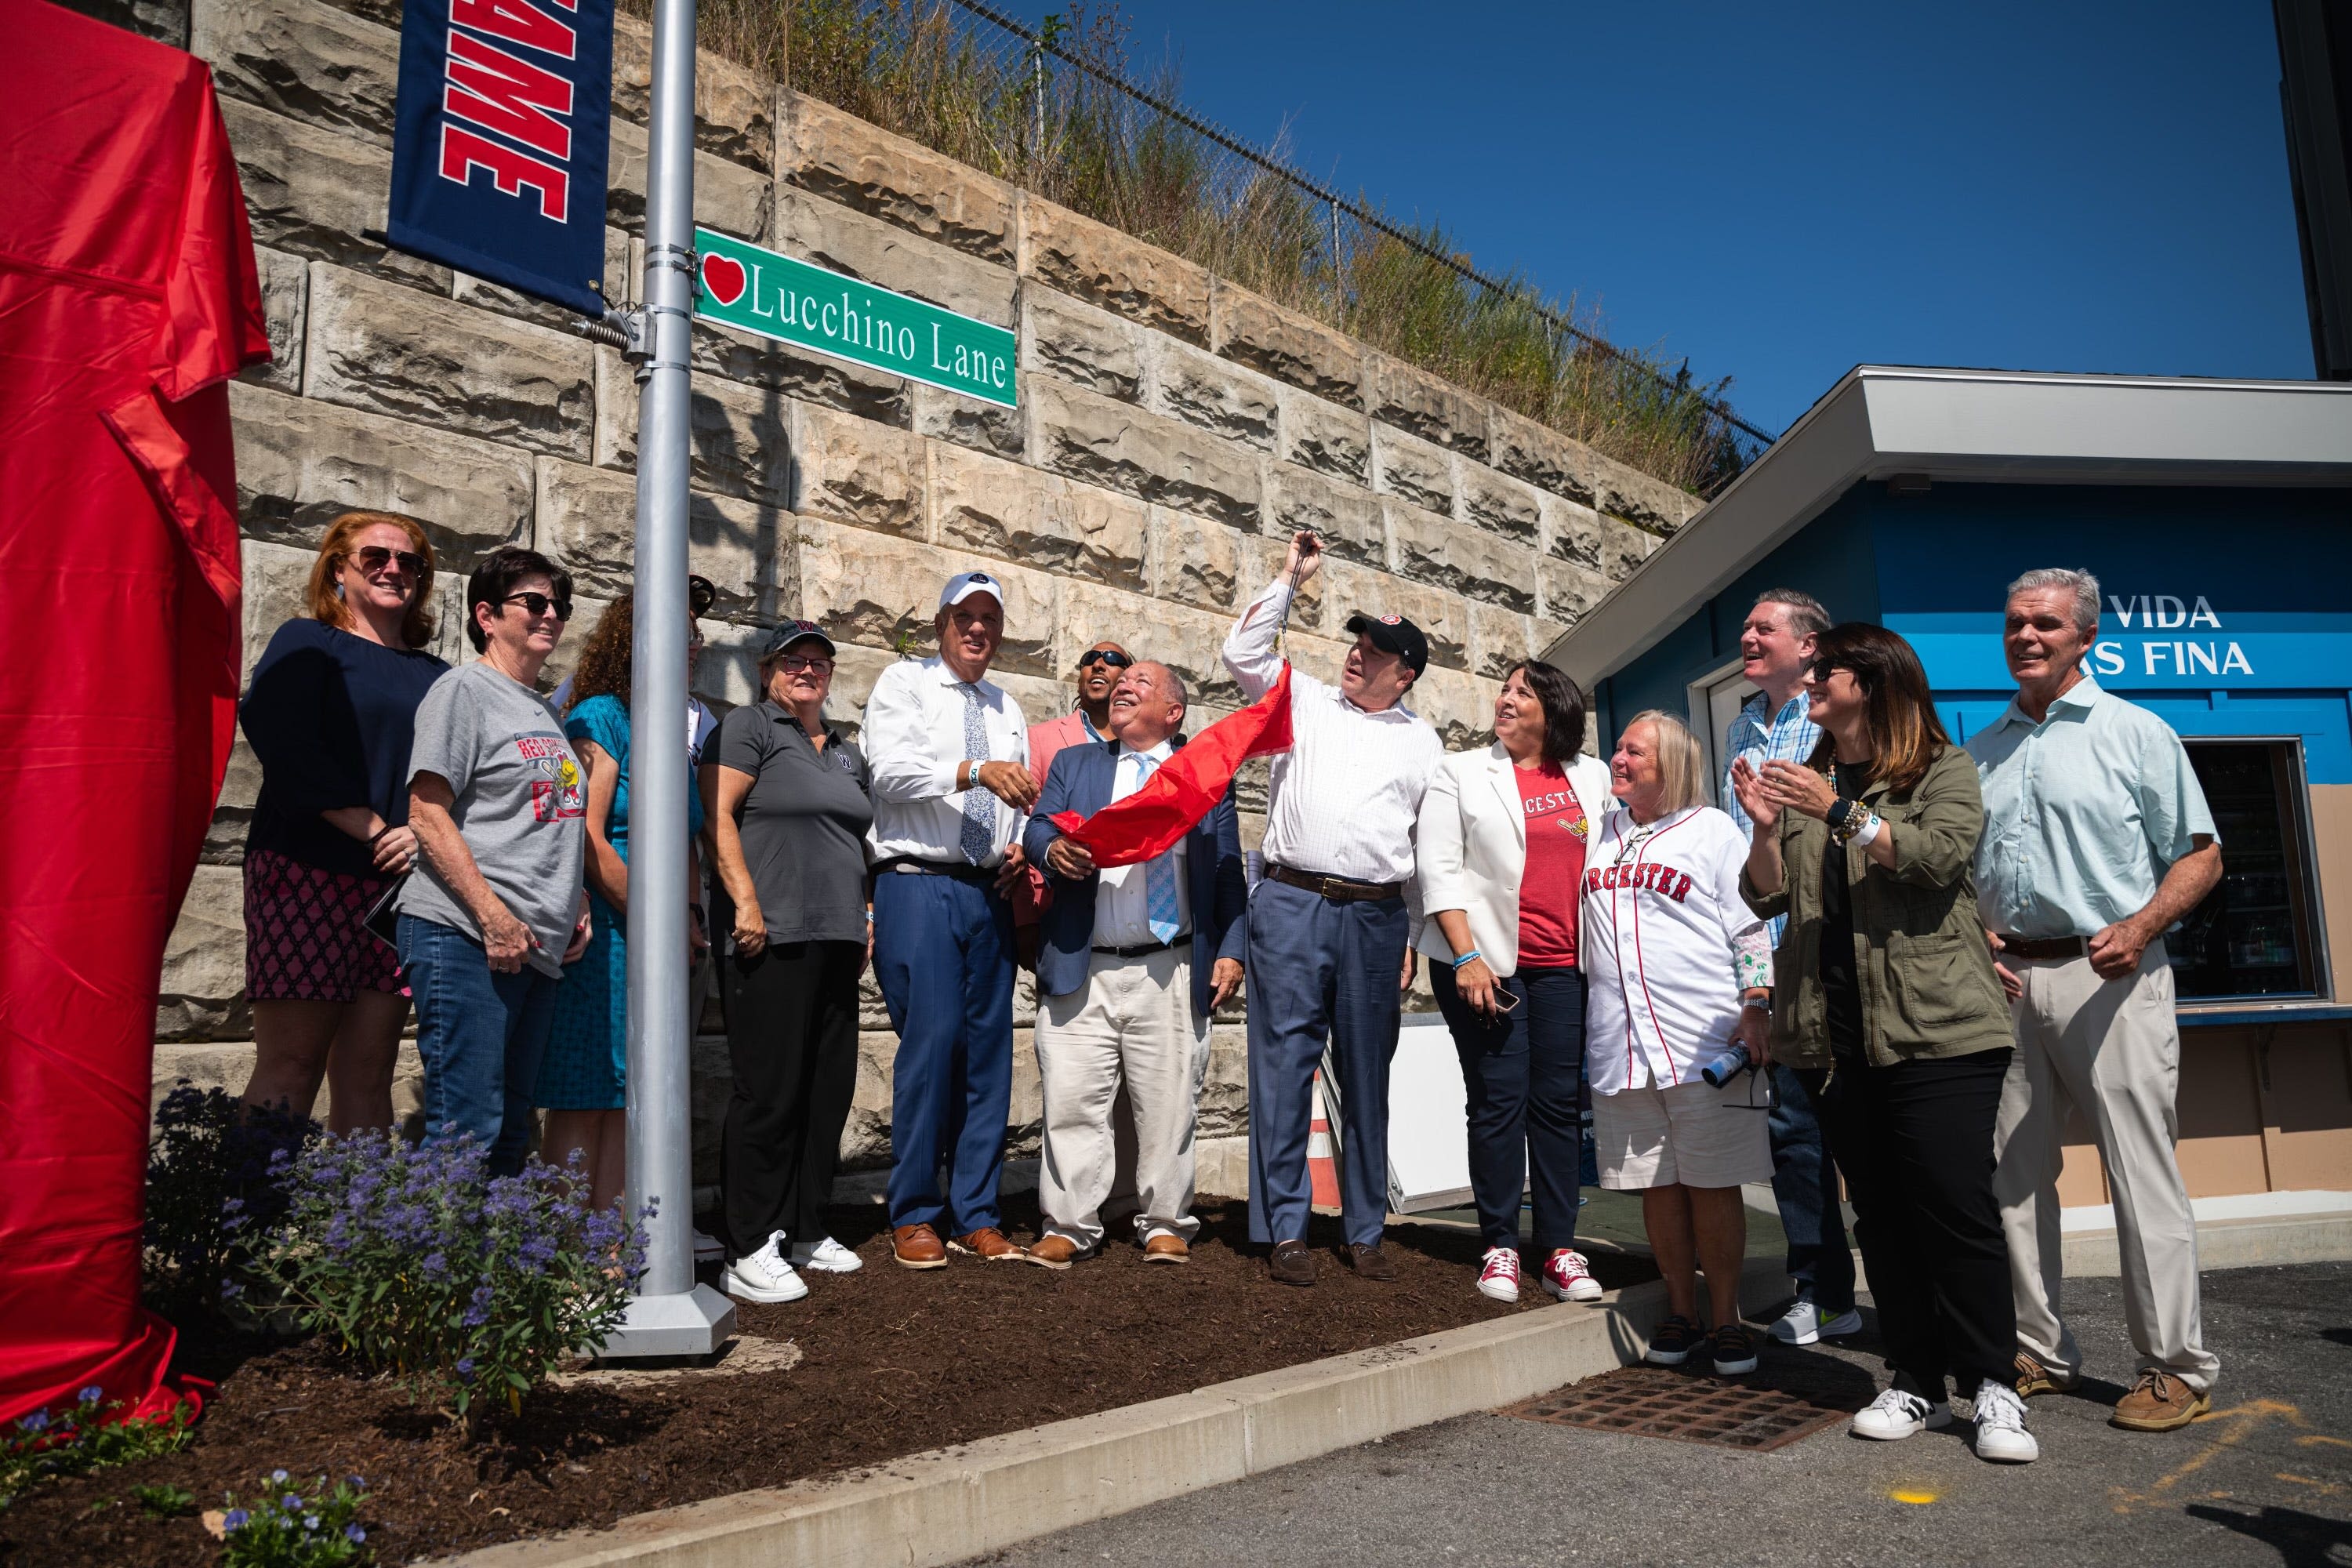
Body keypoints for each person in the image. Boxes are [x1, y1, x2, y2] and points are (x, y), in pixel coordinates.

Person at [1735, 624, 2036, 1463]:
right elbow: (1764, 898)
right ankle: (1915, 1379)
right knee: (1884, 1217)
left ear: (1868, 681)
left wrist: (1838, 810)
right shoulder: (1809, 780)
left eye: (1824, 669)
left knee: (1955, 1207)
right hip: (1835, 1040)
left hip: (1939, 1030)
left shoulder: (1942, 768)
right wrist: (1765, 825)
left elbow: (1937, 858)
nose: (1809, 681)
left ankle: (1993, 1383)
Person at [1972, 568, 2225, 1432]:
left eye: (2044, 623)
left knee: (2138, 1170)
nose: (2025, 636)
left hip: (2111, 973)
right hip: (2009, 980)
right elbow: (1968, 873)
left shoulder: (2136, 732)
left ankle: (2175, 1368)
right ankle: (2037, 1348)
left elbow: (2201, 855)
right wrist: (1982, 939)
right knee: (2011, 1175)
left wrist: (2143, 923)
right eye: (2013, 623)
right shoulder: (1986, 747)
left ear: (2085, 636)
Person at [1225, 529, 1443, 1286]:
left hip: (1378, 919)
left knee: (1366, 1071)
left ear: (1405, 674)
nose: (1358, 654)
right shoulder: (1304, 700)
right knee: (1282, 1065)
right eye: (1357, 642)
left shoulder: (1425, 745)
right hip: (1290, 902)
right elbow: (1242, 656)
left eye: (1377, 651)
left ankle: (1364, 1228)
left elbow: (1427, 845)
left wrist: (1413, 932)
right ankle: (1285, 1230)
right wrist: (1290, 578)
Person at [1023, 662, 1247, 1267]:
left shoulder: (1202, 776)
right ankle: (1069, 1224)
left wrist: (1231, 950)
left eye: (1141, 684)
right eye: (1122, 684)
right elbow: (1038, 825)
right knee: (1071, 1103)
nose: (1122, 687)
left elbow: (1228, 870)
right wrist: (1051, 847)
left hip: (1169, 966)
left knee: (1171, 1102)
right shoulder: (1077, 765)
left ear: (1173, 712)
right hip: (1083, 964)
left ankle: (1167, 1221)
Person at [237, 511, 448, 1131]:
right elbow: (283, 741)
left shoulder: (437, 675)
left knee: (368, 1068)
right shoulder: (307, 640)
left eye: (409, 562)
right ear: (338, 570)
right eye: (375, 557)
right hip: (307, 869)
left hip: (397, 887)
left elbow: (449, 776)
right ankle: (249, 1220)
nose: (393, 569)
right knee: (292, 1063)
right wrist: (374, 828)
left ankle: (361, 1227)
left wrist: (420, 830)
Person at [1581, 710, 1772, 1377]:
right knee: (1655, 1185)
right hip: (1621, 1043)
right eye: (1620, 749)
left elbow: (1750, 927)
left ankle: (1728, 1320)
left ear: (1672, 766)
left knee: (1712, 1183)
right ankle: (1679, 1312)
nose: (1619, 759)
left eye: (1634, 751)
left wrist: (1756, 1006)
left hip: (1701, 1036)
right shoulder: (1601, 832)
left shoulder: (1712, 831)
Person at [1416, 661, 1613, 1305]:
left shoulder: (1592, 776)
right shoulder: (1463, 772)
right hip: (1483, 964)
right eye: (1504, 689)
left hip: (1564, 965)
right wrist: (1466, 956)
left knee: (1557, 1104)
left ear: (1554, 710)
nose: (1505, 699)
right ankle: (1499, 1244)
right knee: (1499, 1100)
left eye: (1522, 692)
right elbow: (1438, 871)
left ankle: (1559, 1248)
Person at [863, 571, 1037, 1268]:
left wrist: (1021, 841)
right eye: (965, 616)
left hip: (986, 890)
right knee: (931, 1046)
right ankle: (913, 1212)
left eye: (990, 620)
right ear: (942, 623)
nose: (977, 630)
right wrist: (973, 771)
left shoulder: (1009, 706)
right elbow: (889, 777)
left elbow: (1018, 791)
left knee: (987, 1058)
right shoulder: (903, 685)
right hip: (918, 883)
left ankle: (977, 1212)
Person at [397, 546, 590, 1176]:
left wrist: (576, 902)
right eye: (534, 602)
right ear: (486, 614)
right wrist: (491, 916)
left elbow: (552, 820)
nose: (550, 615)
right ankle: (438, 1273)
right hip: (467, 935)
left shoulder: (542, 709)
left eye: (559, 606)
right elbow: (427, 811)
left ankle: (497, 1276)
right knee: (467, 1126)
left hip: (534, 946)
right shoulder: (463, 690)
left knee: (509, 1132)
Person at [705, 620, 874, 1303]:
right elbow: (716, 815)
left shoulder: (845, 753)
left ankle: (805, 1229)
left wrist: (866, 918)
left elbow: (856, 845)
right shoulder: (750, 726)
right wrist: (746, 902)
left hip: (836, 939)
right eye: (795, 660)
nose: (809, 671)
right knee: (768, 1093)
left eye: (821, 663)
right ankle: (747, 1245)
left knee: (825, 1090)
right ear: (768, 668)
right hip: (769, 935)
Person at [534, 596, 706, 1213]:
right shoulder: (597, 716)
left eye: (696, 641)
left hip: (656, 936)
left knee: (634, 1093)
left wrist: (686, 917)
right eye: (679, 636)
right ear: (633, 643)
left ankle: (611, 1257)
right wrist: (652, 918)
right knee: (587, 1091)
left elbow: (688, 835)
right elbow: (583, 831)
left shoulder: (666, 730)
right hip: (605, 930)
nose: (691, 650)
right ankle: (561, 1258)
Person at [1719, 589, 1860, 1349]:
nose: (1746, 635)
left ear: (1809, 646)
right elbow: (1736, 869)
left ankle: (1913, 1298)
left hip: (1842, 954)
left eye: (1762, 627)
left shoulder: (1840, 722)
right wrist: (1752, 982)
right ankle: (1825, 1294)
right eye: (1745, 625)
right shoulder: (1741, 729)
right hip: (1775, 965)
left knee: (1866, 1136)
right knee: (1792, 1135)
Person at [1027, 641, 1133, 789]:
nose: (1097, 665)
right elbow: (1029, 807)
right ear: (1079, 683)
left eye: (1112, 658)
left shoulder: (1144, 744)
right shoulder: (1039, 737)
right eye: (1090, 658)